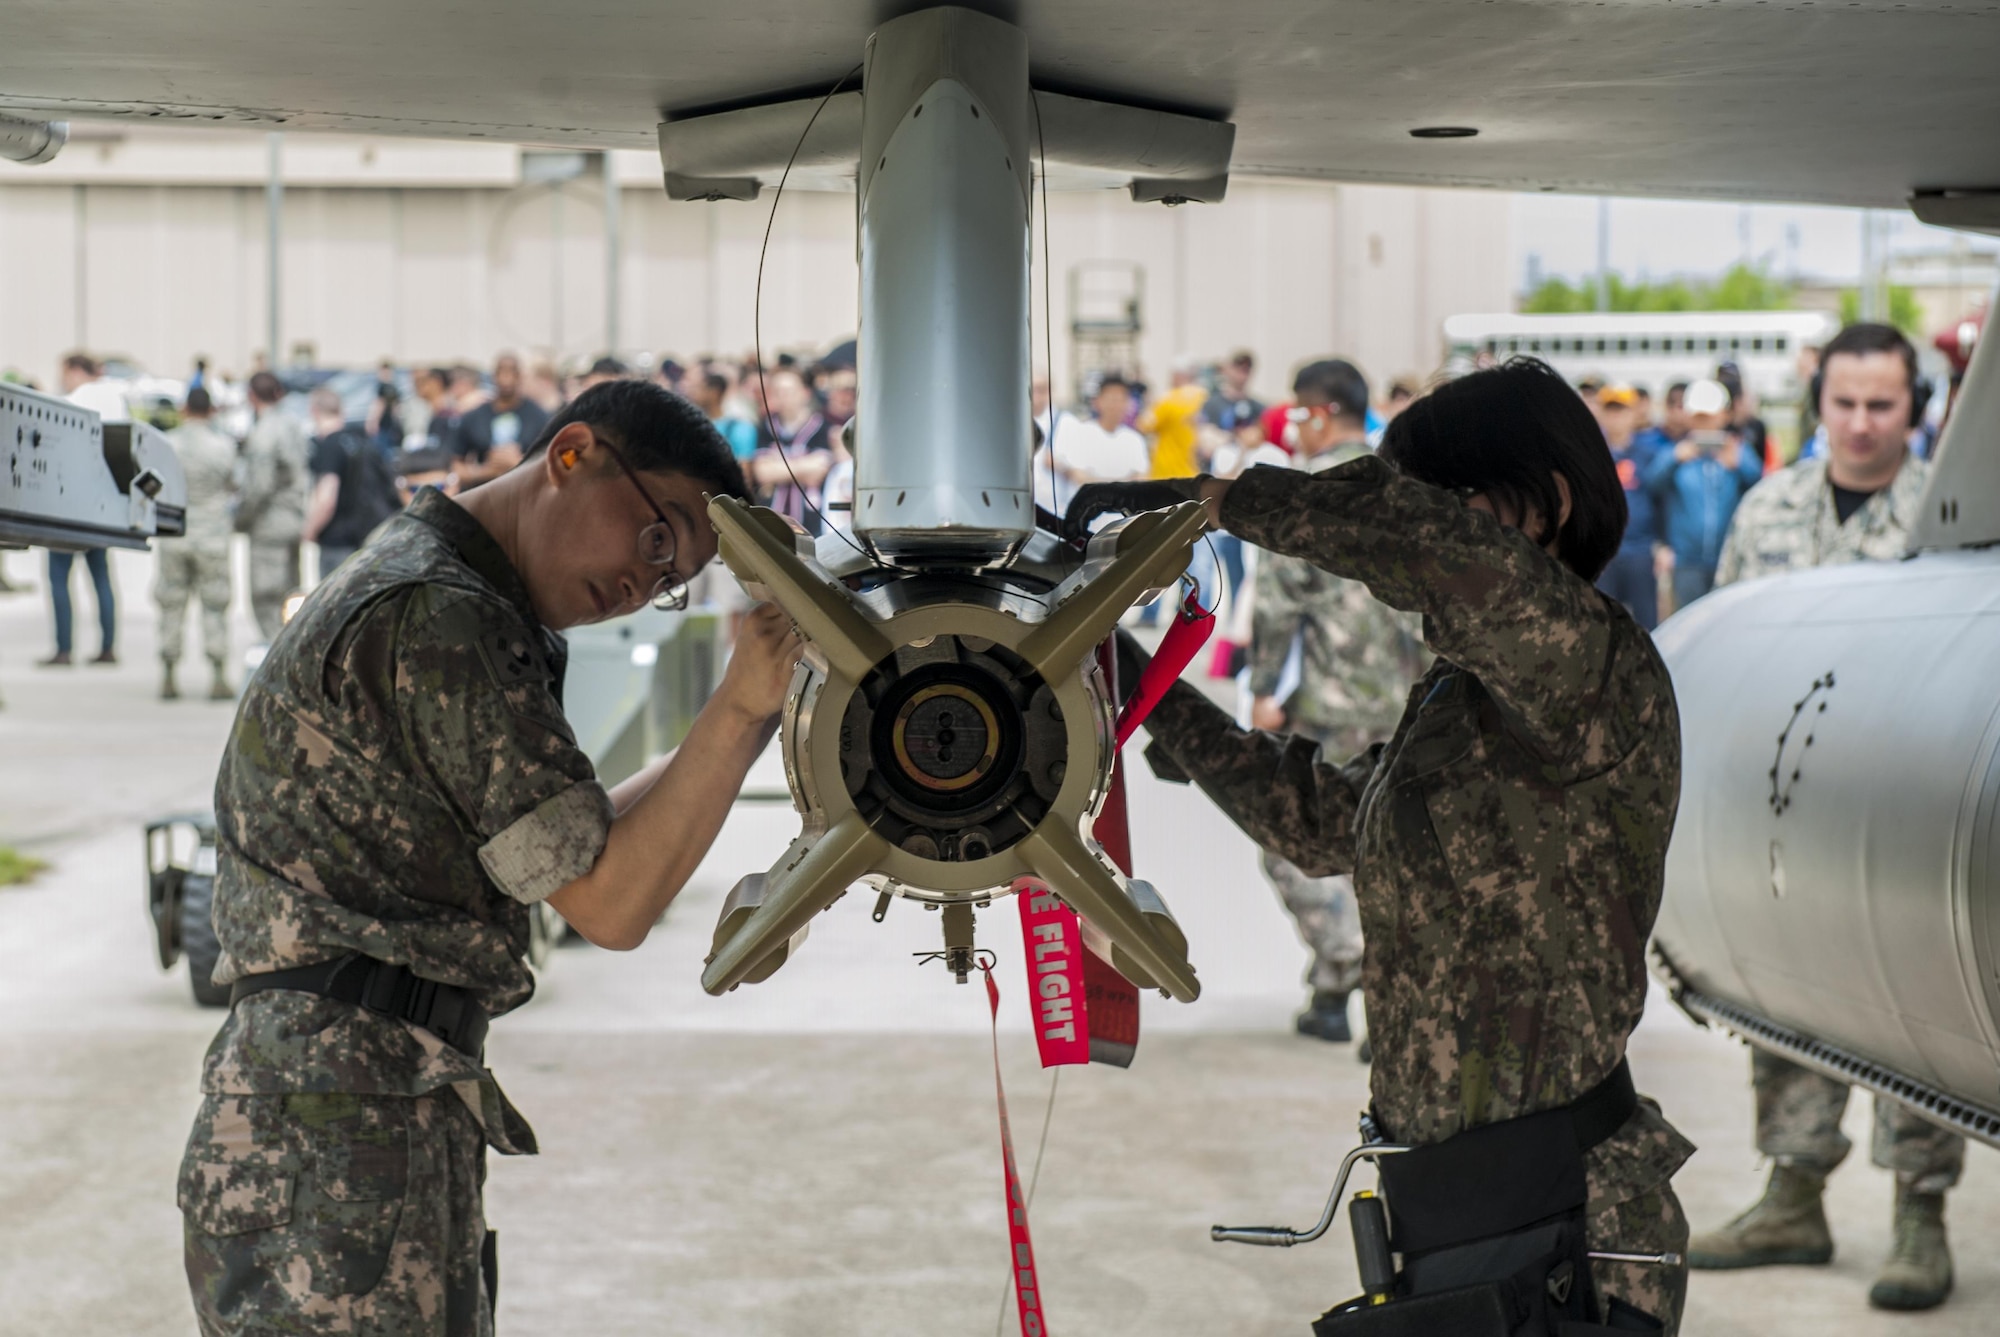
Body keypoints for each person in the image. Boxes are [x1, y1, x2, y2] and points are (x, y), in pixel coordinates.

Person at [1069, 356, 1694, 1334]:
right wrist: (1129, 675)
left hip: (1560, 1228)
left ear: (1543, 505)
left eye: (1438, 499)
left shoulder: (1590, 666)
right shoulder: (1470, 695)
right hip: (1458, 1212)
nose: (1404, 526)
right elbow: (1318, 820)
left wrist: (1214, 500)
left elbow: (1421, 546)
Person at [177, 380, 800, 1336]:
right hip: (341, 1129)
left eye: (675, 576)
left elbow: (574, 847)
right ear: (571, 456)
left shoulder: (445, 587)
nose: (647, 582)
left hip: (351, 1112)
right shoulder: (439, 615)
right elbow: (611, 900)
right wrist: (739, 707)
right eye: (657, 535)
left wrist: (755, 719)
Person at [1690, 322, 1954, 1313]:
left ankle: (1917, 1212)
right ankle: (1790, 1196)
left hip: (1902, 814)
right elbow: (1723, 632)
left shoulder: (1950, 512)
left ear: (1913, 409)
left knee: (1908, 1009)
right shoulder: (1770, 507)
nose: (1855, 423)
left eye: (1879, 405)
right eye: (1840, 403)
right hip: (1785, 810)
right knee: (1790, 998)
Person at [1246, 358, 1427, 1045]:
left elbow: (1277, 605)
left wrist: (1266, 690)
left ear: (1320, 413)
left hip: (1328, 704)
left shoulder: (1302, 498)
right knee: (1392, 846)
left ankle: (1348, 961)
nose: (1293, 428)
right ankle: (1360, 994)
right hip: (1412, 703)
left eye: (1296, 413)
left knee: (1291, 836)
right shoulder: (1410, 494)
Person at [1642, 378, 1762, 609]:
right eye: (1699, 416)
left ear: (1724, 415)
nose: (1704, 423)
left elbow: (1761, 488)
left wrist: (1739, 464)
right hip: (1687, 561)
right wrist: (1675, 459)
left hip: (1728, 558)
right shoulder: (1675, 453)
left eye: (1709, 416)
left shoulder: (1738, 450)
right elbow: (1651, 485)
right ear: (1688, 416)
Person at [42, 352, 126, 666]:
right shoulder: (117, 399)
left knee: (59, 578)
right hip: (101, 504)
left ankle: (63, 649)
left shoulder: (73, 400)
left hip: (67, 505)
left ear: (76, 371)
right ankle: (108, 647)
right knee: (101, 578)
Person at [155, 387, 239, 700]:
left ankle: (168, 672)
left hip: (176, 533)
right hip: (213, 536)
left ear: (184, 409)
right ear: (212, 410)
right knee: (215, 605)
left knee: (171, 603)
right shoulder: (223, 446)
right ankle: (217, 674)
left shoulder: (169, 444)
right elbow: (233, 483)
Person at [236, 370, 311, 641]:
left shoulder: (263, 433)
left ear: (251, 396)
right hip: (293, 517)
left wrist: (241, 519)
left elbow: (259, 487)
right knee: (292, 597)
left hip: (269, 523)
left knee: (268, 600)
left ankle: (277, 663)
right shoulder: (293, 425)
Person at [305, 388, 406, 576]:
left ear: (314, 411)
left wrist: (309, 531)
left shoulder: (329, 445)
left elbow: (327, 498)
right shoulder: (360, 439)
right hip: (366, 535)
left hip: (337, 541)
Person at [1594, 384, 1665, 629]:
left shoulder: (1650, 453)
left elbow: (1661, 499)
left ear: (1635, 414)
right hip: (1603, 553)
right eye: (1610, 410)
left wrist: (1663, 544)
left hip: (1640, 549)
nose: (1616, 418)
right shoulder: (1593, 454)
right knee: (1603, 623)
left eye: (1622, 410)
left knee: (1647, 623)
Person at [1031, 374, 1150, 518]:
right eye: (1111, 399)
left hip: (1122, 520)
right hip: (1087, 521)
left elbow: (1140, 481)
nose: (1116, 405)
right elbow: (1078, 476)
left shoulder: (1135, 439)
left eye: (1121, 399)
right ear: (1097, 401)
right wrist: (1122, 485)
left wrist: (1101, 485)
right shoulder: (1079, 431)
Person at [750, 365, 833, 533]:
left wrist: (778, 466)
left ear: (805, 392)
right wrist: (803, 466)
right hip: (772, 521)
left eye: (788, 391)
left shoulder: (820, 426)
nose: (783, 397)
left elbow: (818, 470)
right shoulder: (766, 426)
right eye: (777, 391)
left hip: (812, 521)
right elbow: (762, 472)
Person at [452, 354, 551, 486]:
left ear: (520, 376)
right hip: (485, 490)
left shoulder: (539, 416)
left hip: (525, 490)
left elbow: (549, 462)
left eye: (512, 372)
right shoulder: (474, 417)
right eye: (501, 372)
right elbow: (456, 464)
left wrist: (518, 463)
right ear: (493, 376)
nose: (506, 378)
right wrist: (485, 471)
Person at [1140, 356, 1208, 481]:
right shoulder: (1204, 397)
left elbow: (1143, 425)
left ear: (1177, 375)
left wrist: (1149, 404)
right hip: (1194, 474)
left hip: (1166, 474)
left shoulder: (1169, 399)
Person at [1202, 349, 1264, 435]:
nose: (1241, 375)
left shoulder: (1258, 408)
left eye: (1246, 370)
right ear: (1227, 369)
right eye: (1238, 369)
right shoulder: (1212, 405)